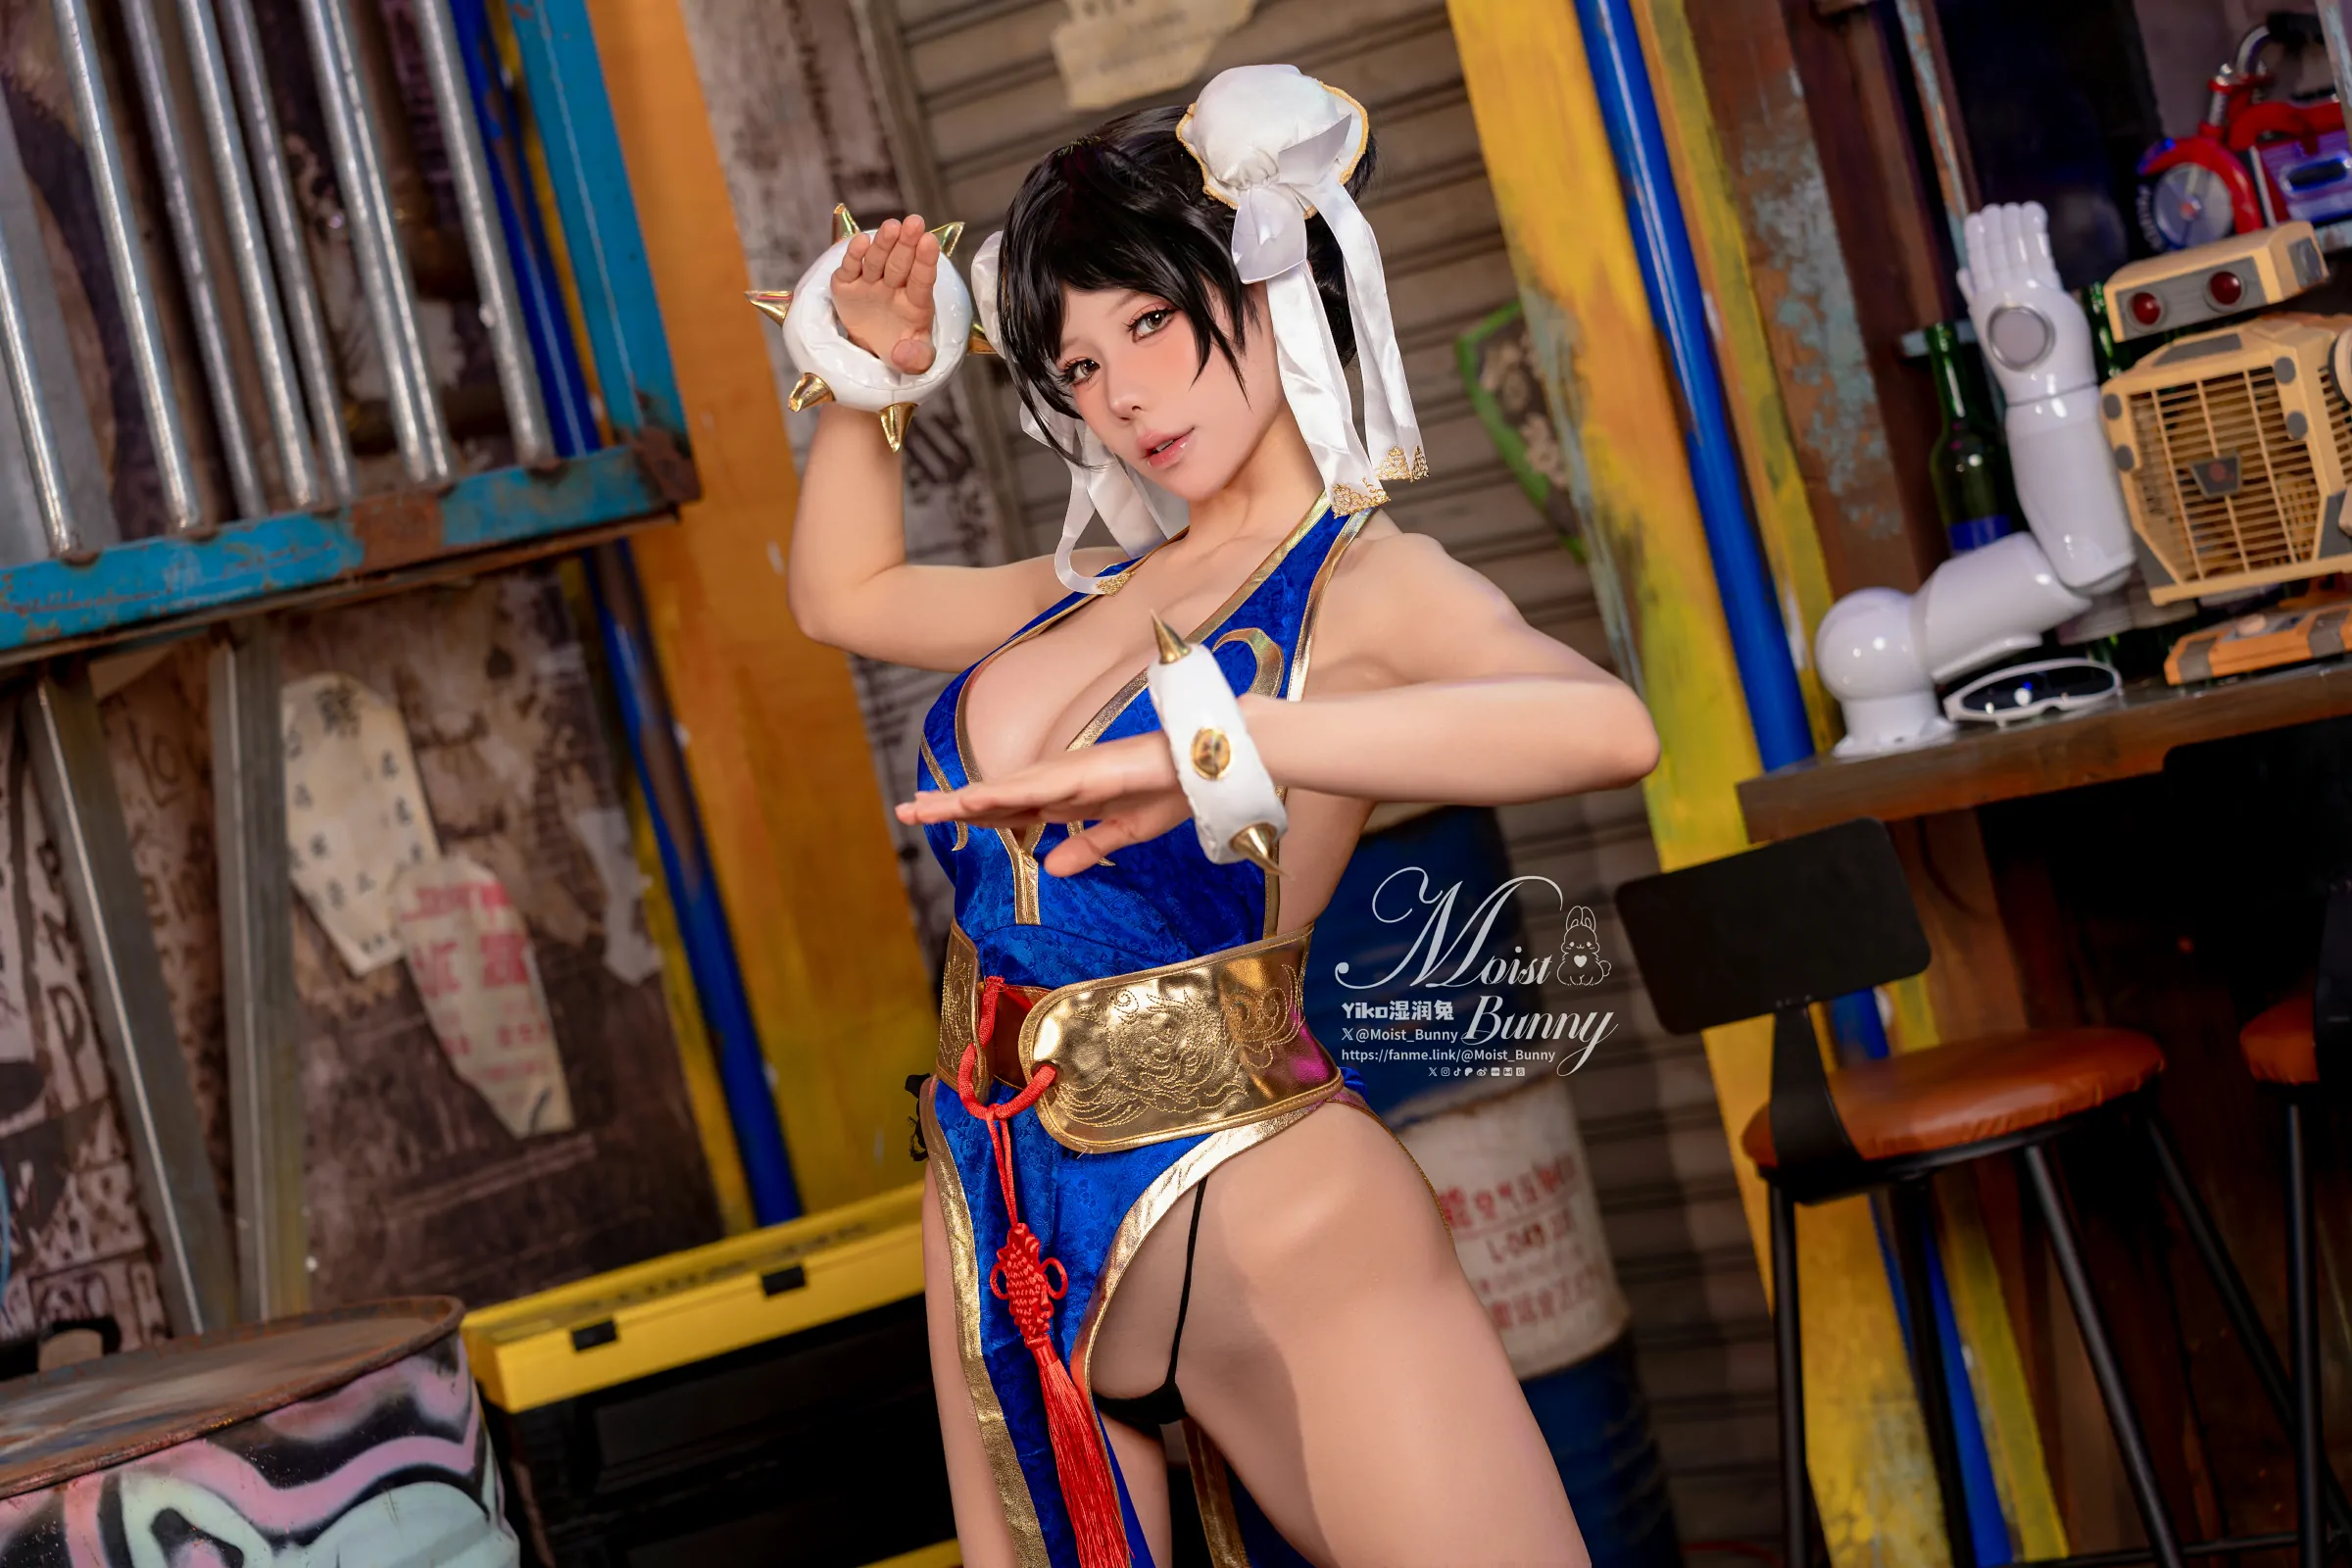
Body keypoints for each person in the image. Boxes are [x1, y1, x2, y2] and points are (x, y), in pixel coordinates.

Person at [785, 63, 1656, 1568]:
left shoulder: (1364, 581)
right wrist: (874, 379)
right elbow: (842, 597)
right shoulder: (1089, 586)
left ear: (1267, 286)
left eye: (1150, 323)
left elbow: (1605, 727)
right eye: (1076, 364)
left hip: (1274, 1220)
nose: (1121, 394)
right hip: (1005, 1216)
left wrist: (1233, 742)